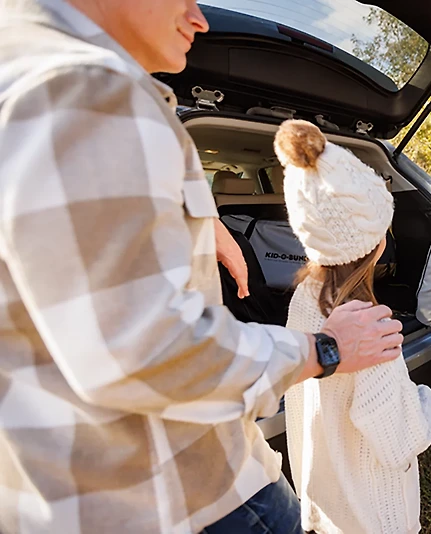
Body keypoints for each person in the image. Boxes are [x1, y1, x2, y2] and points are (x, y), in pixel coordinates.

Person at [0, 1, 403, 533]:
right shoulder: (85, 88)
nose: (200, 19)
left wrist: (191, 215)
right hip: (186, 491)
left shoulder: (24, 71)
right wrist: (324, 349)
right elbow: (138, 350)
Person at [274, 119, 431, 534]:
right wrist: (427, 400)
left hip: (322, 496)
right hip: (372, 515)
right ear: (375, 241)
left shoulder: (305, 297)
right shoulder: (368, 327)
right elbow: (400, 438)